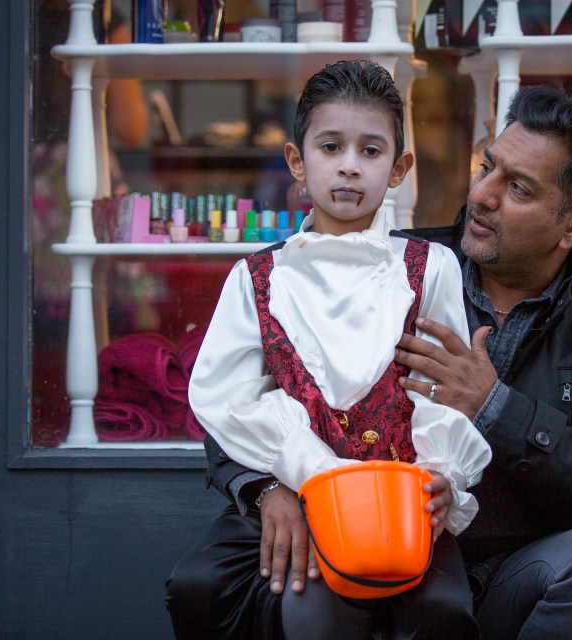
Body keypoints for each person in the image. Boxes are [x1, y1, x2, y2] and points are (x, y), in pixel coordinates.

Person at [190, 84, 572, 638]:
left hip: (518, 570)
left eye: (517, 188)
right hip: (377, 556)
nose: (483, 195)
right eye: (488, 166)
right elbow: (242, 391)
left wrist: (498, 410)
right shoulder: (395, 264)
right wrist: (268, 487)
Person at [166, 59, 491, 640]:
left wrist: (443, 476)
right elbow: (227, 396)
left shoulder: (430, 268)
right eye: (331, 146)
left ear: (399, 169)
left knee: (441, 611)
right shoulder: (257, 277)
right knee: (198, 584)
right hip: (296, 490)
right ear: (298, 160)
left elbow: (440, 391)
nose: (349, 165)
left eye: (371, 151)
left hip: (402, 503)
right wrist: (299, 477)